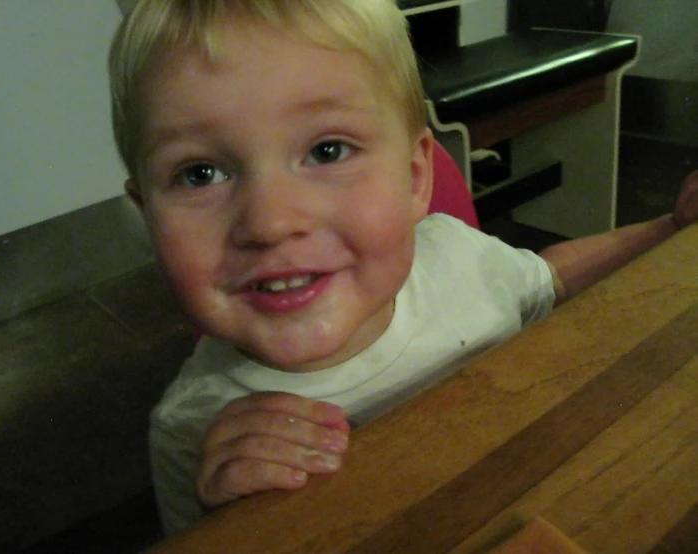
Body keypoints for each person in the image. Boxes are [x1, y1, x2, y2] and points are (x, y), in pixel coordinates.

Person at [107, 0, 698, 536]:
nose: (269, 222)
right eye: (200, 174)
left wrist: (668, 228)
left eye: (327, 150)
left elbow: (553, 278)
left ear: (417, 178)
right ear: (145, 216)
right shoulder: (195, 429)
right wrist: (232, 518)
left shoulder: (457, 255)